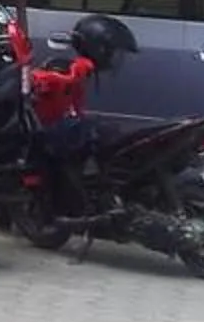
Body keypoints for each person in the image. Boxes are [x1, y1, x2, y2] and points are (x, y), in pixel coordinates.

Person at [30, 13, 136, 214]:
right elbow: (42, 80)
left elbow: (77, 109)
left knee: (110, 134)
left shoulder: (81, 73)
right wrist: (74, 73)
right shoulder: (63, 67)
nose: (114, 59)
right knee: (93, 132)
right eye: (112, 52)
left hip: (64, 127)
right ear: (99, 49)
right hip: (48, 133)